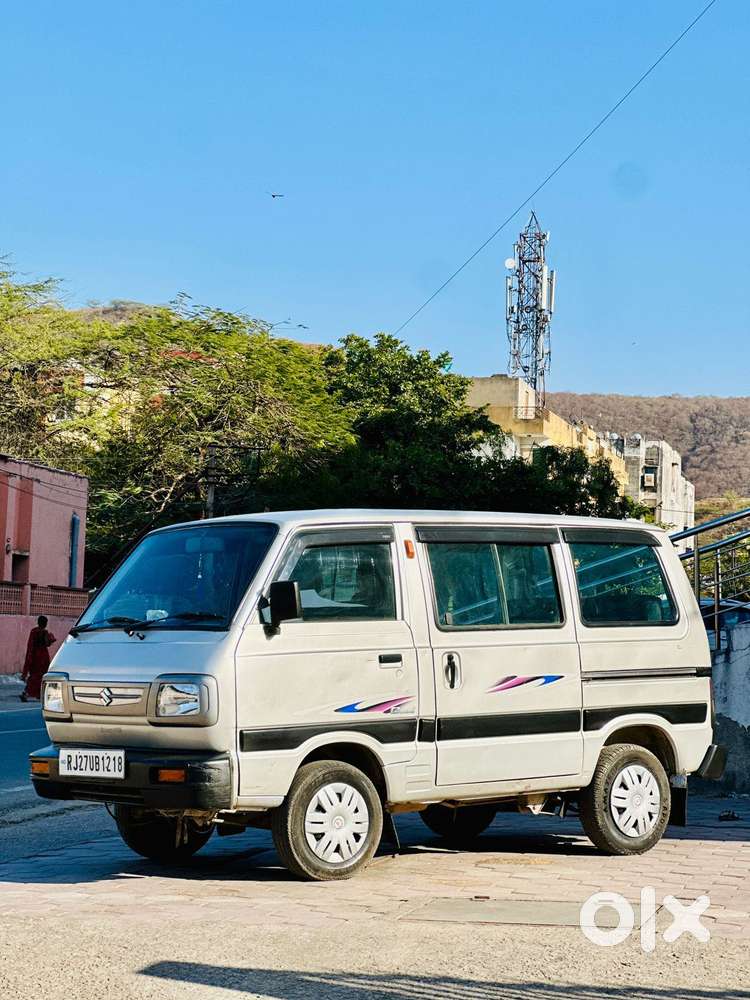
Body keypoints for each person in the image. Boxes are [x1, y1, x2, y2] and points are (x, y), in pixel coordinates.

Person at [20, 616, 56, 702]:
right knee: (41, 676)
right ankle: (37, 694)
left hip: (35, 656)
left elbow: (30, 645)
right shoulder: (45, 633)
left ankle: (28, 693)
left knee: (34, 677)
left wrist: (29, 658)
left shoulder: (33, 631)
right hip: (43, 657)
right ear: (45, 624)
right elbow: (47, 643)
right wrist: (51, 639)